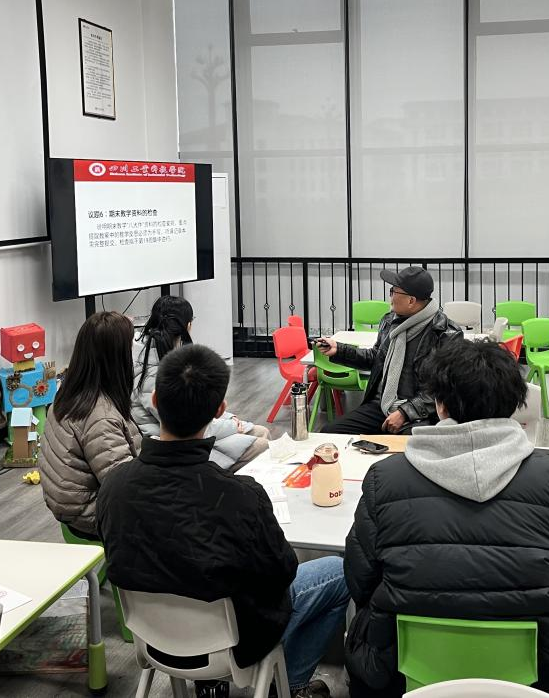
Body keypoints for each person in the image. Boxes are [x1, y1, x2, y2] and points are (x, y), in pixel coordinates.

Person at [344, 340, 549, 698]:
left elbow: (359, 581)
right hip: (545, 673)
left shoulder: (384, 478)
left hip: (397, 672)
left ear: (440, 404)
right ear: (513, 404)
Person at [97, 343, 350, 698]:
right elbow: (281, 572)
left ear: (154, 400)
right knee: (340, 572)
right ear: (219, 410)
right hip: (235, 642)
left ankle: (213, 684)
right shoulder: (240, 496)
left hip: (151, 639)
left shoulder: (113, 486)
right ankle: (291, 685)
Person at [318, 266, 462, 435]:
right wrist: (339, 350)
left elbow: (443, 388)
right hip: (382, 405)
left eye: (393, 292)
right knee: (330, 432)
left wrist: (405, 412)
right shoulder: (389, 321)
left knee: (405, 446)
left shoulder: (446, 333)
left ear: (411, 301)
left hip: (420, 415)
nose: (390, 297)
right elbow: (376, 358)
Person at [132, 294, 268, 470]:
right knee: (262, 443)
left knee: (261, 432)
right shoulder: (153, 371)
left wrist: (230, 419)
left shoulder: (149, 355)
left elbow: (196, 406)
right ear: (188, 325)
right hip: (176, 446)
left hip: (183, 437)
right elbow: (189, 423)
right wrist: (232, 425)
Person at [40, 311, 141, 538]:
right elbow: (124, 489)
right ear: (117, 358)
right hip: (93, 517)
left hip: (75, 510)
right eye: (130, 347)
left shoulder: (70, 394)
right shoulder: (101, 417)